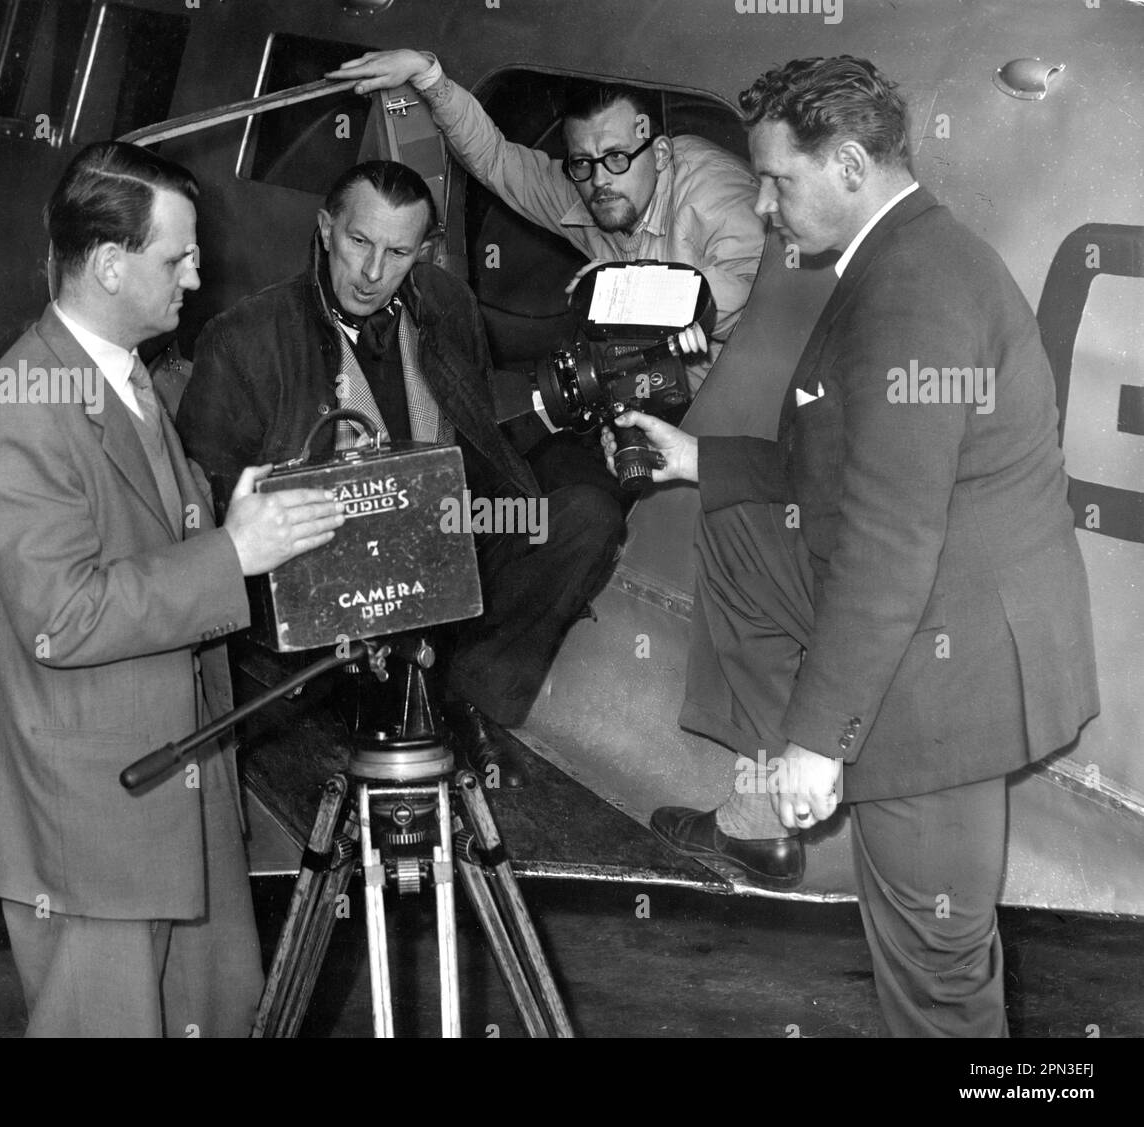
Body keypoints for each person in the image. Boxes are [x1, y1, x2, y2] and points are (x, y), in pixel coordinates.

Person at [603, 57, 1098, 1036]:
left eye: (779, 180)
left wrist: (815, 743)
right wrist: (698, 455)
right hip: (953, 612)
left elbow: (887, 541)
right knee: (739, 517)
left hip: (944, 668)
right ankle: (757, 813)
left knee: (936, 974)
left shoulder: (904, 299)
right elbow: (854, 466)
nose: (763, 204)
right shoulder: (910, 253)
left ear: (849, 164)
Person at [0, 141, 345, 1037]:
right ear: (107, 263)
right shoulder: (24, 408)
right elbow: (63, 615)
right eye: (178, 257)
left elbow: (147, 544)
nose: (199, 274)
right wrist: (228, 558)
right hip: (89, 817)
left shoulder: (124, 377)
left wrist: (236, 526)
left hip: (175, 780)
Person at [177, 160, 623, 792]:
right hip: (323, 558)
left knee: (578, 518)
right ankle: (376, 691)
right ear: (328, 229)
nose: (371, 272)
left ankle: (463, 697)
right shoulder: (247, 337)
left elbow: (473, 435)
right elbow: (206, 503)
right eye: (359, 242)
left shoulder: (446, 303)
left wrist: (542, 428)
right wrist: (319, 472)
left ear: (422, 252)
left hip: (443, 523)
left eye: (397, 252)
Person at [329, 49, 765, 495]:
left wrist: (632, 283)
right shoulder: (595, 187)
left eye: (616, 157)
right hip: (655, 391)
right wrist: (429, 76)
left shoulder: (714, 194)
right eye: (582, 163)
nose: (600, 181)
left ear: (660, 152)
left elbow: (757, 299)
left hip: (743, 406)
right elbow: (498, 161)